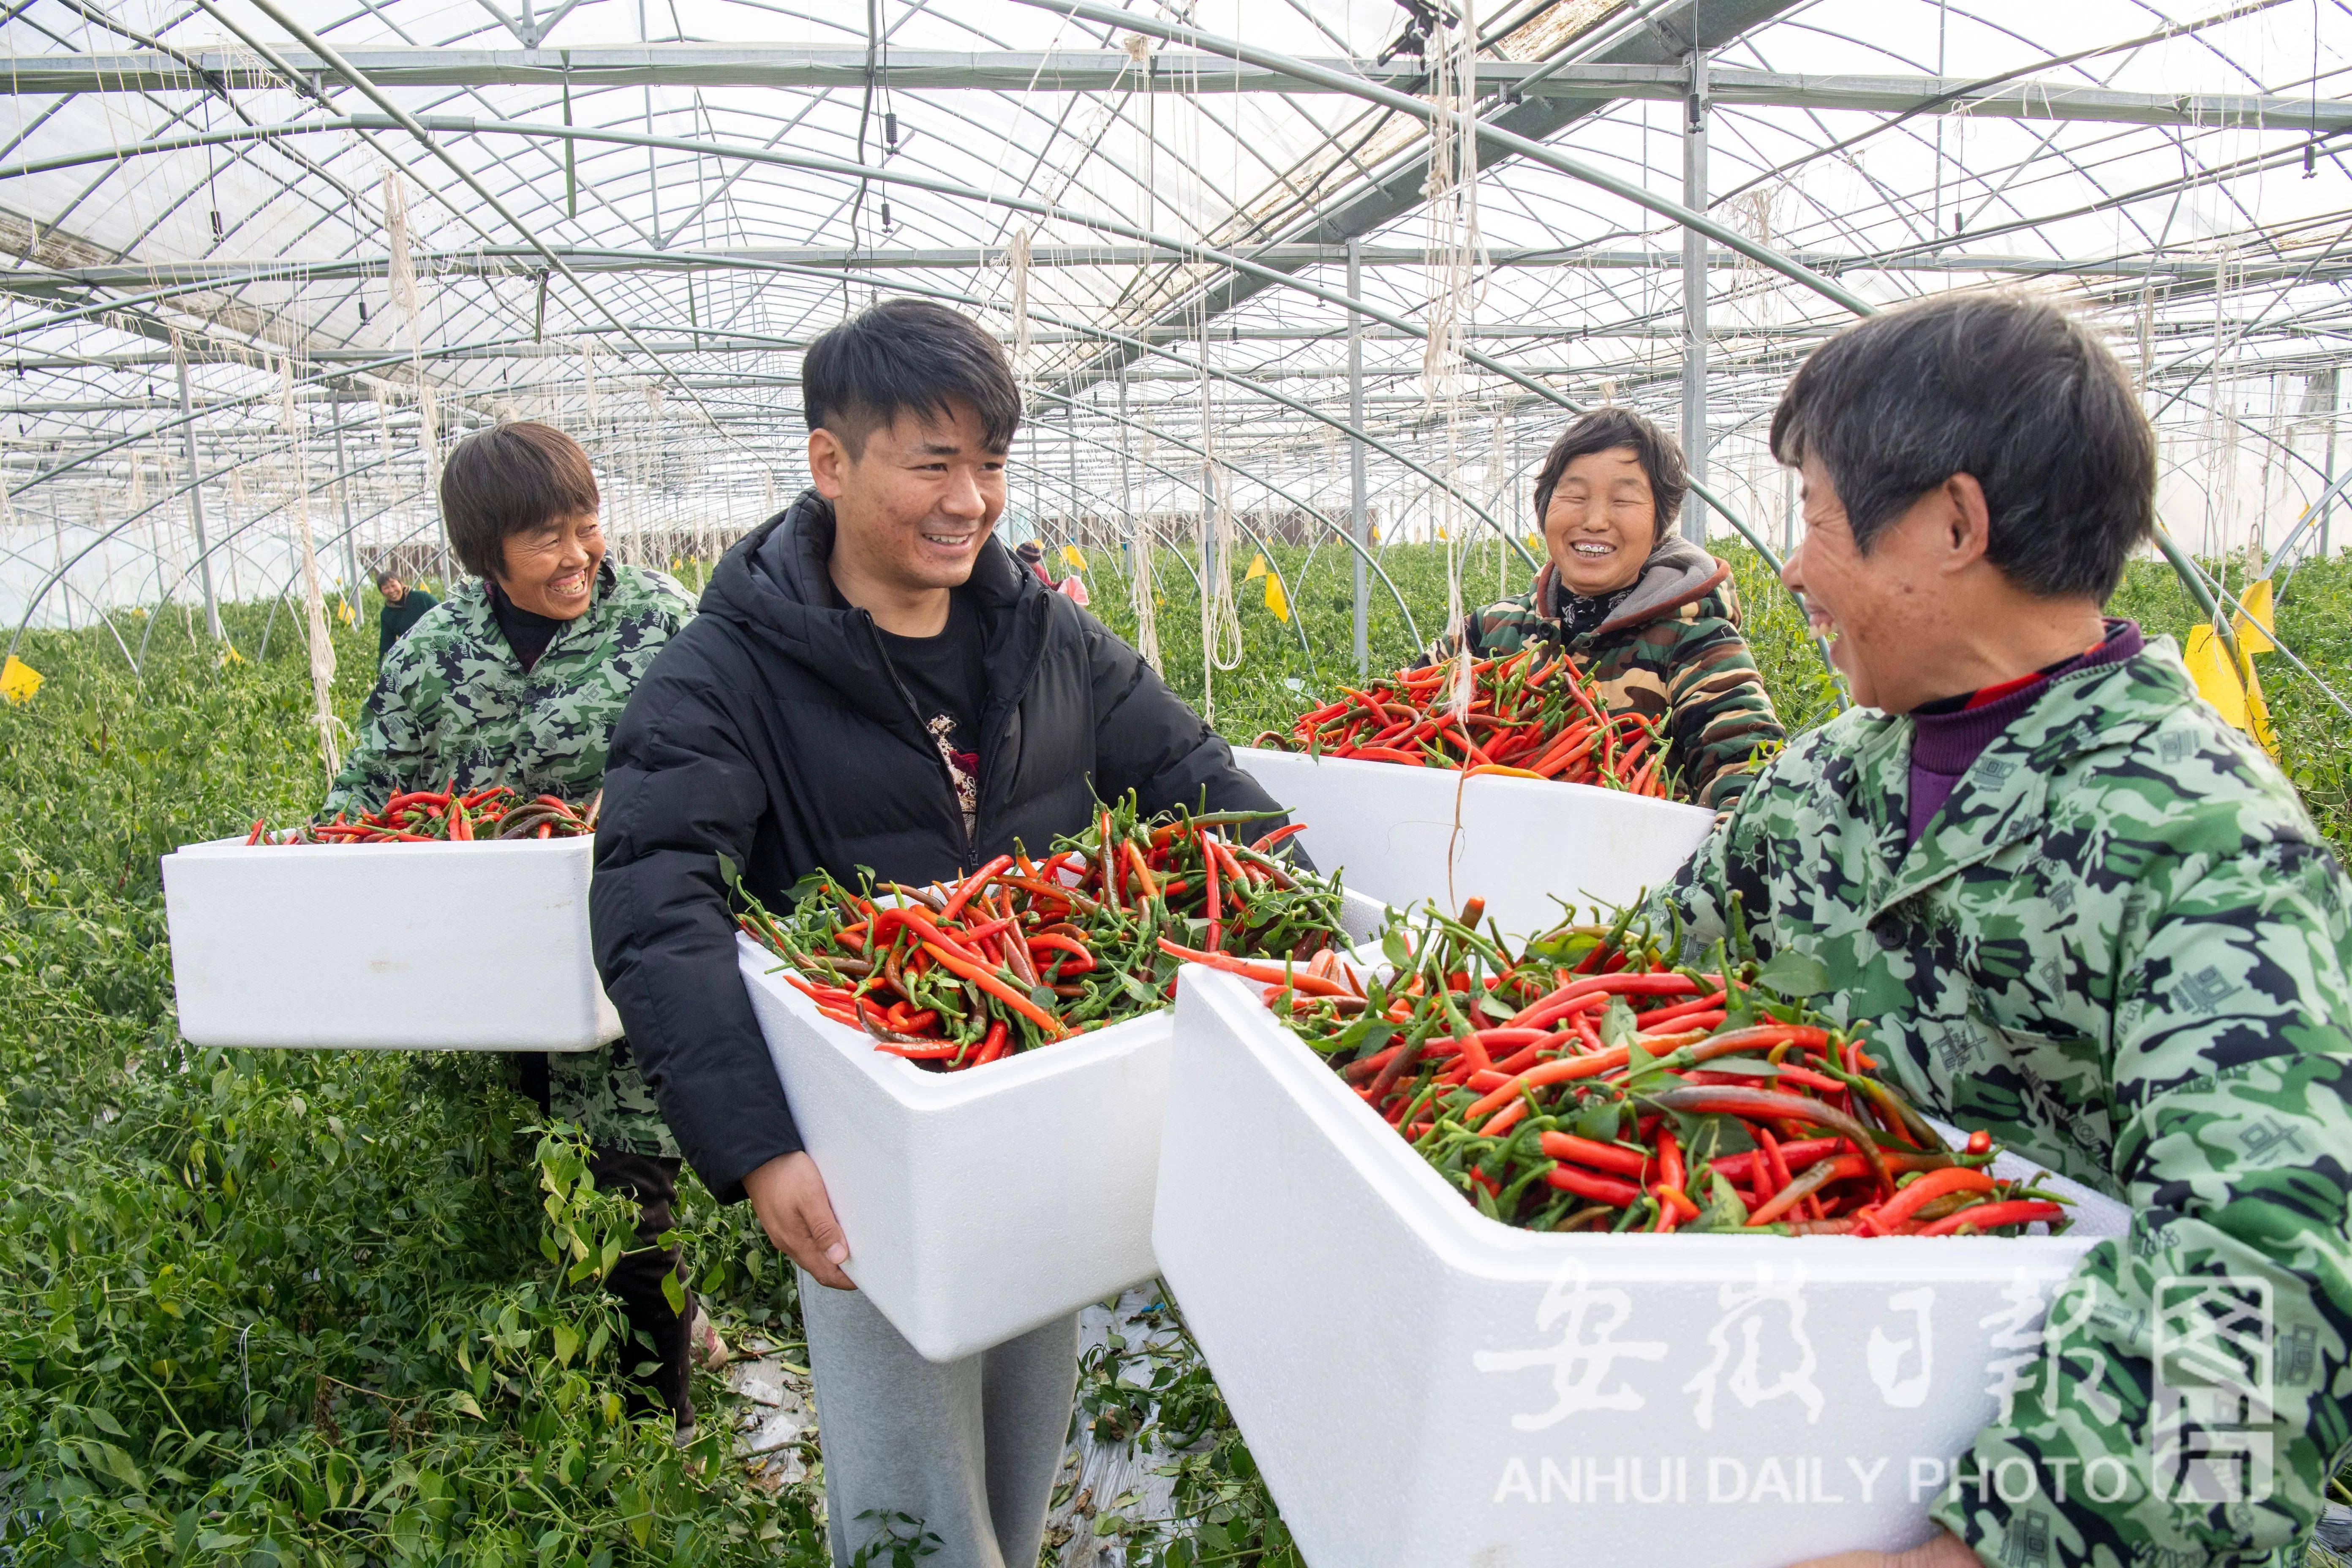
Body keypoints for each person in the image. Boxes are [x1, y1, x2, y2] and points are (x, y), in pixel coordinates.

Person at [588, 298, 1297, 1568]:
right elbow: (655, 903)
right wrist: (757, 1147)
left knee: (1025, 1442)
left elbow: (1194, 773)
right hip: (874, 1135)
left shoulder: (1045, 638)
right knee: (914, 1498)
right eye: (932, 461)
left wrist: (1313, 932)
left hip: (1040, 1106)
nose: (969, 497)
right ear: (830, 463)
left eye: (989, 463)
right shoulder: (724, 671)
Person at [1649, 292, 2352, 1568]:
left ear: (1953, 523)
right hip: (1797, 1445)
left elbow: (2270, 1272)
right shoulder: (1821, 785)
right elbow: (1632, 985)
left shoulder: (2200, 841)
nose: (1794, 569)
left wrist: (1985, 1554)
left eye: (1812, 518)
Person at [324, 422, 716, 1432]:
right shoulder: (437, 649)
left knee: (631, 1198)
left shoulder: (659, 622)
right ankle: (623, 1368)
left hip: (632, 964)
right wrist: (314, 863)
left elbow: (729, 762)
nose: (580, 554)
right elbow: (369, 786)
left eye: (587, 526)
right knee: (541, 1186)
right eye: (547, 537)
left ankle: (652, 1442)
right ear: (483, 552)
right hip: (496, 973)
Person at [1418, 407, 1784, 810]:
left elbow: (1752, 788)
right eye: (1574, 495)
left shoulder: (1699, 644)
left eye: (1624, 500)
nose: (1594, 520)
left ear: (1659, 524)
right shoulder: (1490, 631)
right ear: (1544, 508)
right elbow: (1391, 717)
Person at [373, 569, 437, 660]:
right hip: (416, 655)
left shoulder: (422, 597)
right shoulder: (387, 614)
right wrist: (381, 668)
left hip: (438, 645)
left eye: (393, 585)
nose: (391, 591)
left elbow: (443, 614)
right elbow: (386, 644)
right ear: (382, 592)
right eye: (386, 588)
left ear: (401, 584)